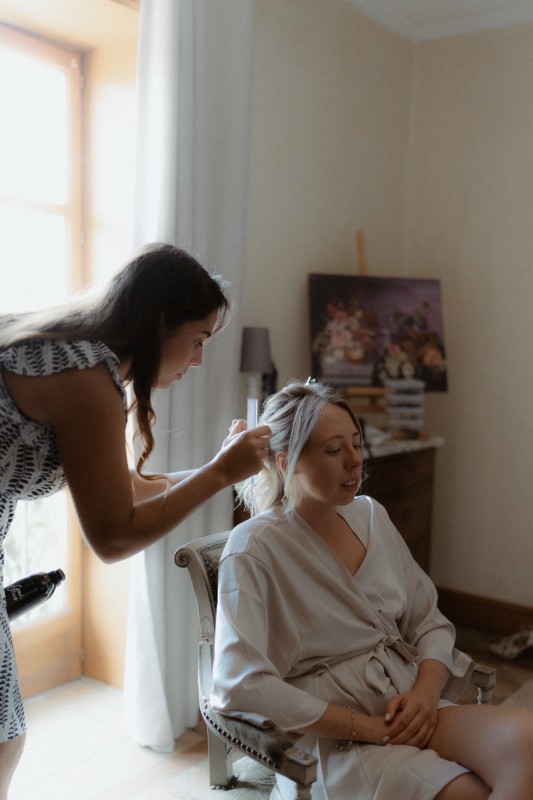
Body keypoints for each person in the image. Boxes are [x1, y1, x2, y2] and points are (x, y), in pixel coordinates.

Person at [0, 242, 272, 799]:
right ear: (160, 323)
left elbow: (125, 486)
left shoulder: (74, 354)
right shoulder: (86, 376)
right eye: (198, 341)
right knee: (4, 739)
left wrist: (222, 469)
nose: (198, 361)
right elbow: (113, 536)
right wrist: (220, 473)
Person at [211, 379, 533, 800]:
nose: (354, 461)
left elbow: (429, 622)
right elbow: (240, 684)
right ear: (287, 462)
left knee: (528, 743)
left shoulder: (371, 516)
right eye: (334, 450)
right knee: (470, 792)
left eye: (356, 444)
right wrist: (368, 728)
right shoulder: (254, 547)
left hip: (405, 706)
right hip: (334, 740)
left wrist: (425, 695)